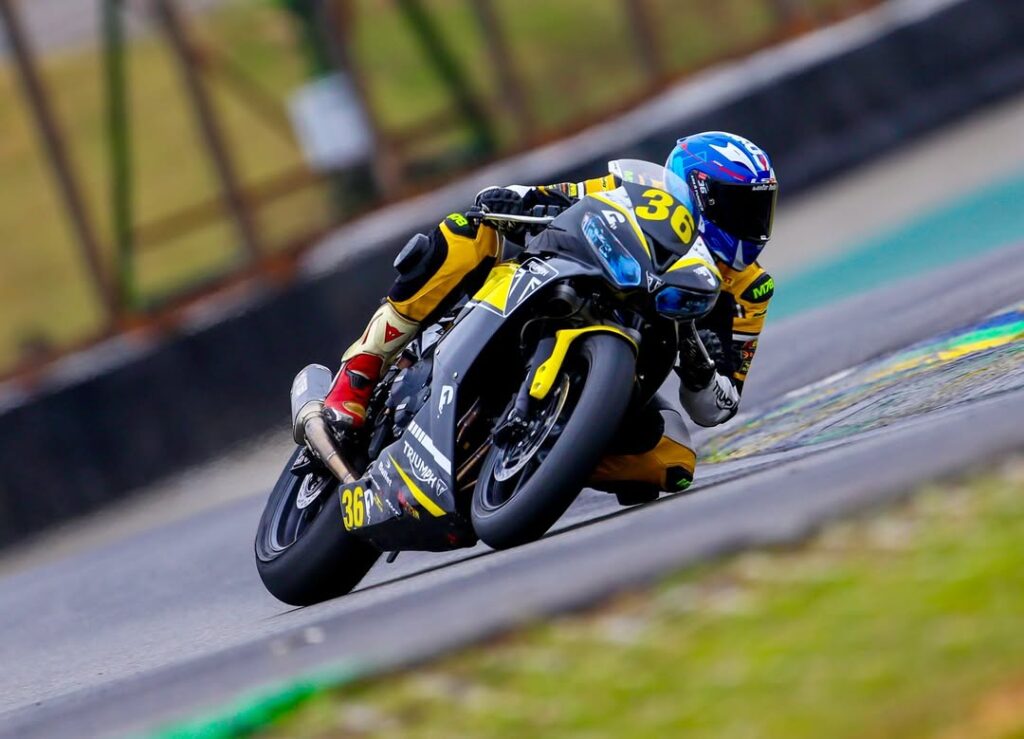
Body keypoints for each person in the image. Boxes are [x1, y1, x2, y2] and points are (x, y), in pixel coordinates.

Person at [322, 131, 778, 502]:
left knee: (673, 462)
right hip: (561, 292)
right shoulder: (640, 196)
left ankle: (549, 457)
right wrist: (517, 202)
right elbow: (556, 197)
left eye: (760, 210)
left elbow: (715, 410)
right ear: (696, 193)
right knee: (467, 232)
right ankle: (360, 371)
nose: (752, 224)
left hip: (625, 367)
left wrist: (702, 369)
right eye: (739, 208)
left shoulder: (750, 289)